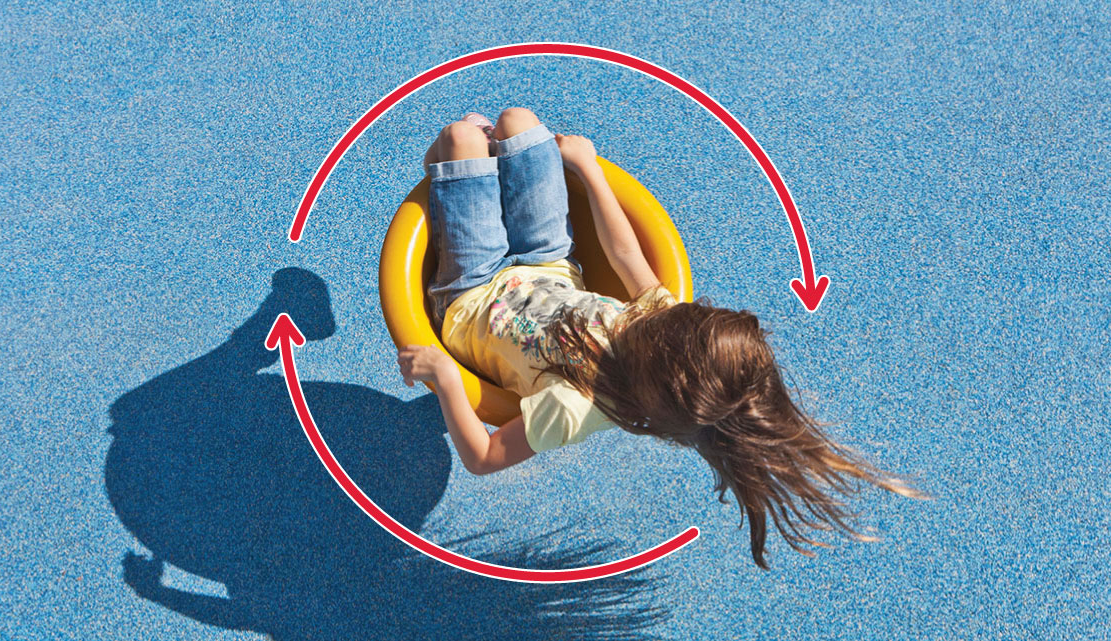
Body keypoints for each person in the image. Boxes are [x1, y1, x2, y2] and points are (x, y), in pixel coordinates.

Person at [397, 108, 926, 569]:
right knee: (520, 123)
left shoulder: (579, 403)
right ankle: (469, 173)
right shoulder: (662, 326)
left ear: (661, 364)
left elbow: (485, 457)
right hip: (546, 262)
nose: (677, 311)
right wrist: (588, 169)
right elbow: (626, 256)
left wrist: (447, 378)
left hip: (471, 294)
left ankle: (449, 169)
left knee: (462, 140)